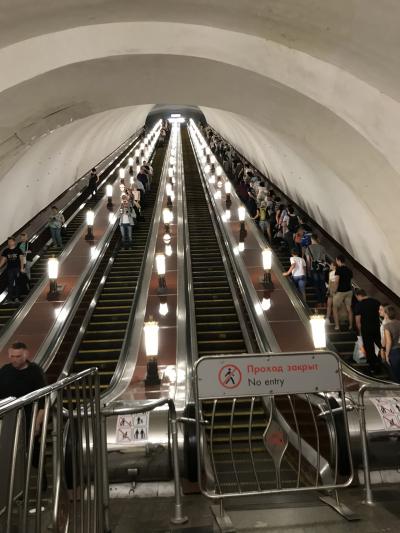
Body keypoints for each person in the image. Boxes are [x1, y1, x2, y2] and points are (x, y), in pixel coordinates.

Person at [0, 342, 47, 488]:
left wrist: (37, 422)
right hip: (8, 420)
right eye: (12, 356)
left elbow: (43, 399)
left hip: (29, 419)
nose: (15, 359)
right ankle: (14, 488)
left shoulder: (35, 372)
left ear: (26, 355)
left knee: (34, 453)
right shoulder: (5, 371)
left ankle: (41, 483)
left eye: (18, 356)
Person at [354, 288, 382, 373]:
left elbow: (358, 321)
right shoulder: (376, 302)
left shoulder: (359, 305)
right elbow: (381, 314)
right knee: (379, 345)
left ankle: (373, 367)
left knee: (369, 348)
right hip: (377, 328)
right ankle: (381, 362)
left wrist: (360, 332)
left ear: (358, 296)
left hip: (366, 329)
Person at [0, 237, 25, 303]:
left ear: (14, 242)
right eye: (8, 242)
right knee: (10, 283)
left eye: (10, 241)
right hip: (9, 269)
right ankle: (9, 299)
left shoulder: (18, 250)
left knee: (17, 283)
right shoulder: (6, 251)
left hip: (17, 268)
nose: (9, 243)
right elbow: (3, 260)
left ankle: (17, 298)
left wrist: (22, 268)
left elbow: (21, 259)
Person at [332, 255, 353, 331]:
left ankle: (337, 326)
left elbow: (336, 281)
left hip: (341, 291)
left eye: (336, 261)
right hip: (349, 291)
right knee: (349, 309)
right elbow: (350, 281)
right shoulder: (349, 270)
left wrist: (334, 291)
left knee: (334, 308)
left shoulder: (338, 270)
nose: (336, 262)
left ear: (338, 260)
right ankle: (350, 326)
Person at [306, 234, 328, 307]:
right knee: (322, 284)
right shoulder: (322, 247)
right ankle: (324, 301)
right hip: (322, 268)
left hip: (314, 268)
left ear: (311, 239)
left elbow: (308, 261)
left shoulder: (308, 248)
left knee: (316, 284)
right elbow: (324, 259)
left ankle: (319, 301)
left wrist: (308, 270)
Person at [381, 305, 400, 382]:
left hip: (394, 352)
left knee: (395, 376)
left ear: (386, 314)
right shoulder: (399, 322)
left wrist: (387, 354)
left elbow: (388, 342)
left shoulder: (387, 326)